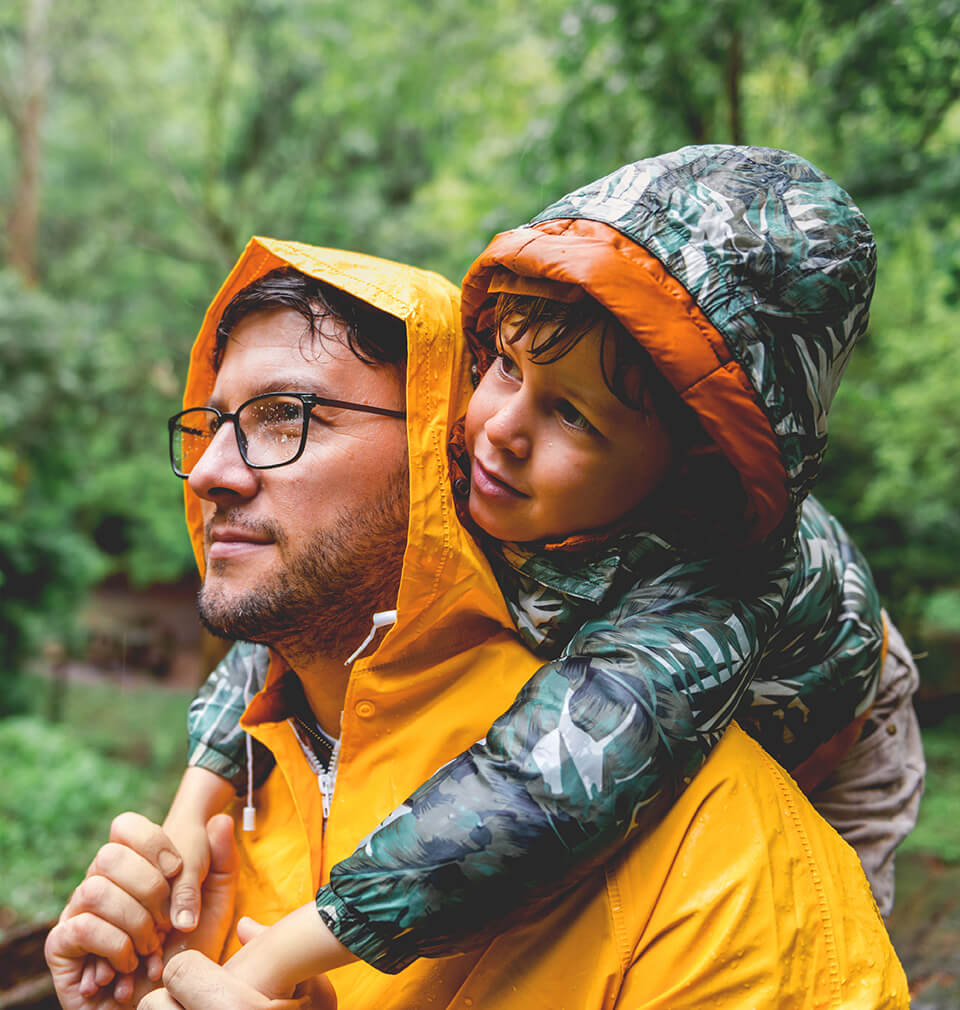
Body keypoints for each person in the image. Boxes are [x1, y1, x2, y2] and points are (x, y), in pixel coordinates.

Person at [47, 148, 911, 1008]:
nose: (498, 429)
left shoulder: (708, 583)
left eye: (572, 411)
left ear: (687, 466)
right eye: (502, 365)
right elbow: (296, 615)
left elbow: (545, 783)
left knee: (803, 921)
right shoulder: (490, 482)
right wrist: (192, 807)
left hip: (821, 709)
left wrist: (273, 961)